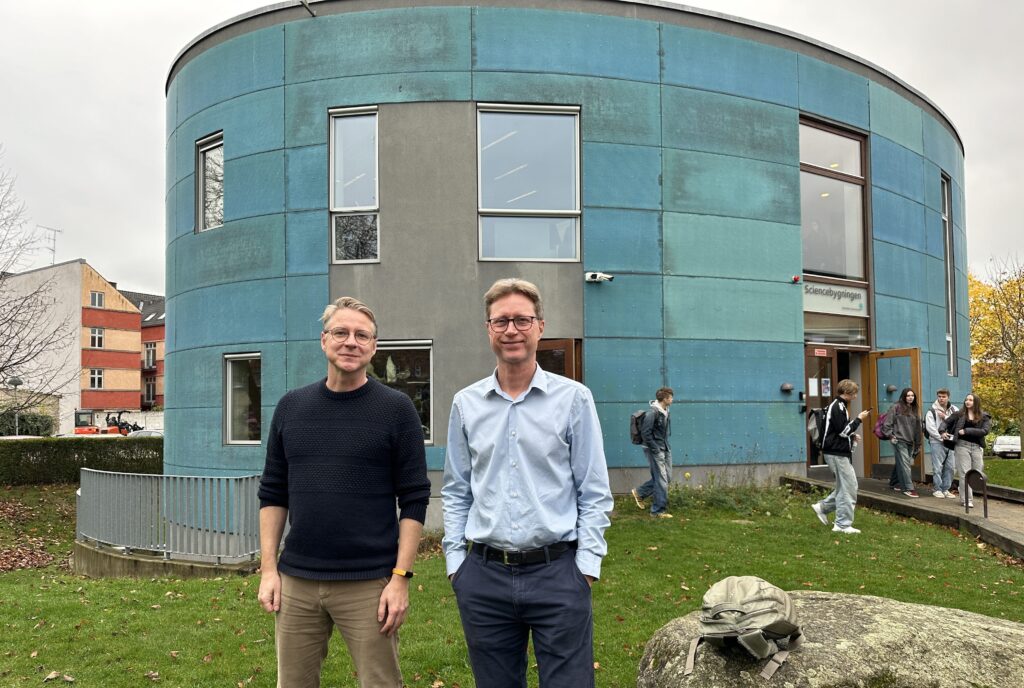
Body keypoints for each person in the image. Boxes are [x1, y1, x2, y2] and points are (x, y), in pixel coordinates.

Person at [442, 278, 614, 688]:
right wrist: (455, 564)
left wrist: (586, 568)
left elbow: (594, 491)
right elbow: (455, 489)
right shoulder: (466, 404)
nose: (511, 330)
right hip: (483, 578)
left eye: (522, 319)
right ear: (488, 329)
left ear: (540, 326)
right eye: (501, 321)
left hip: (558, 574)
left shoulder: (574, 399)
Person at [257, 296, 431, 688]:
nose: (350, 342)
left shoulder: (396, 409)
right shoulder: (291, 407)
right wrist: (269, 568)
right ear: (323, 341)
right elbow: (273, 492)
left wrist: (401, 577)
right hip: (297, 581)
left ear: (373, 347)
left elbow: (414, 498)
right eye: (341, 332)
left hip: (370, 583)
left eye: (361, 335)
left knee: (381, 683)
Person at [810, 379, 870, 534]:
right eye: (854, 392)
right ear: (847, 392)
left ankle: (823, 507)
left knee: (845, 486)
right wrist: (859, 419)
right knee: (849, 487)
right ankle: (842, 524)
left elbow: (839, 431)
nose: (856, 396)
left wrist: (852, 436)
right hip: (836, 453)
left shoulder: (838, 406)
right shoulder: (838, 407)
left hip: (835, 452)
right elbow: (843, 431)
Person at [939, 393, 992, 508]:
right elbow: (945, 423)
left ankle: (963, 487)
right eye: (966, 399)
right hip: (962, 446)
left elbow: (985, 431)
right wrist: (942, 432)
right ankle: (966, 499)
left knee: (977, 473)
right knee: (964, 473)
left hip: (976, 447)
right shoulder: (959, 414)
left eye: (971, 400)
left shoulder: (984, 416)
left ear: (976, 402)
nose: (967, 402)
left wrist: (966, 431)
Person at [630, 387, 674, 518]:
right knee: (661, 480)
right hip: (655, 450)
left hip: (664, 447)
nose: (672, 399)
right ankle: (658, 511)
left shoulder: (665, 411)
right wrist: (655, 449)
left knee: (667, 478)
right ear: (665, 399)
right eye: (671, 397)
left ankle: (640, 492)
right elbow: (645, 433)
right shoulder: (652, 413)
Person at [883, 388, 924, 498]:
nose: (910, 397)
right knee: (905, 464)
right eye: (908, 395)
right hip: (899, 440)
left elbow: (917, 429)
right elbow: (887, 424)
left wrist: (918, 444)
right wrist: (891, 436)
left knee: (902, 462)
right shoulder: (896, 407)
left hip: (910, 441)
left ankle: (894, 482)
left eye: (912, 395)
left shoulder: (914, 409)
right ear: (903, 396)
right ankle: (908, 488)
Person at [924, 388, 959, 498]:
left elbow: (959, 423)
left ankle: (946, 489)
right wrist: (941, 437)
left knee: (950, 467)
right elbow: (930, 428)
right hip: (937, 442)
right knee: (937, 467)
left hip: (951, 442)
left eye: (943, 396)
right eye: (939, 396)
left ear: (948, 397)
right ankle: (937, 489)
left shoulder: (954, 410)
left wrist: (946, 417)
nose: (941, 398)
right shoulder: (932, 411)